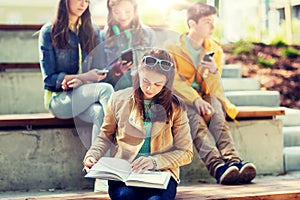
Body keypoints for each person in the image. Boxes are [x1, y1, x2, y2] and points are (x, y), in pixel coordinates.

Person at [83, 48, 193, 200]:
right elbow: (105, 137)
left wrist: (154, 162)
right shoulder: (118, 99)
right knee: (126, 197)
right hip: (124, 175)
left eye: (158, 84)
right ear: (138, 74)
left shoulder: (176, 107)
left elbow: (186, 152)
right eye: (146, 81)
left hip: (161, 175)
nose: (150, 88)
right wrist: (92, 155)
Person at [165, 2, 256, 185]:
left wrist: (214, 72)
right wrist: (195, 100)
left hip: (206, 97)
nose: (213, 27)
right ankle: (218, 167)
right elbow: (172, 81)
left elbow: (214, 89)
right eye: (207, 22)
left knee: (217, 115)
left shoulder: (214, 48)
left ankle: (233, 162)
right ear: (192, 24)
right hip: (180, 99)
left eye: (213, 21)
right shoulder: (172, 47)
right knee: (196, 122)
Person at [38, 0, 114, 146]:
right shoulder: (49, 32)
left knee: (99, 113)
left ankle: (98, 164)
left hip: (86, 97)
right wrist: (84, 77)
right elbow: (49, 80)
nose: (83, 4)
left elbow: (99, 71)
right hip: (59, 99)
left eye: (87, 1)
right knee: (106, 90)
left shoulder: (93, 31)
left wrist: (82, 81)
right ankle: (121, 140)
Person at [100, 0, 156, 91]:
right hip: (116, 91)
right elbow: (99, 73)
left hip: (143, 91)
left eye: (127, 11)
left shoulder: (148, 33)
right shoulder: (103, 36)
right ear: (111, 12)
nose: (123, 17)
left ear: (135, 10)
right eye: (117, 12)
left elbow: (156, 68)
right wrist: (113, 71)